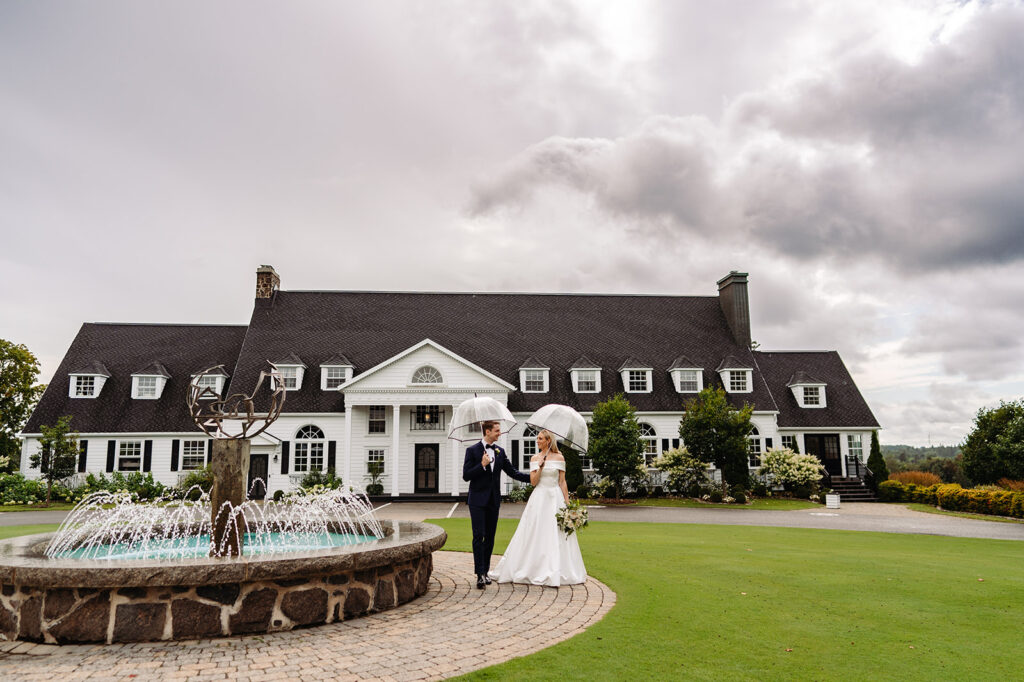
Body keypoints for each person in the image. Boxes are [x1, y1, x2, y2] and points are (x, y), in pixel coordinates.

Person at [488, 429, 586, 587]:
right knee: (534, 531)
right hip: (539, 498)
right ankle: (532, 568)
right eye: (537, 438)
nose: (537, 441)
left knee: (556, 533)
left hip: (555, 498)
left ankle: (558, 569)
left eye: (540, 438)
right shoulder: (535, 458)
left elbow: (562, 482)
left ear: (548, 440)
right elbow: (533, 482)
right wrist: (540, 466)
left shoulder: (560, 457)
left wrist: (568, 504)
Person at [463, 420, 531, 589]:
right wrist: (482, 465)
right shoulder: (472, 451)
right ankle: (479, 574)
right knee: (479, 536)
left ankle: (485, 571)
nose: (499, 433)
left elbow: (512, 471)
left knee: (491, 537)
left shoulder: (499, 452)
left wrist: (533, 478)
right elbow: (466, 475)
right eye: (497, 431)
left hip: (493, 500)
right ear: (487, 432)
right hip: (477, 501)